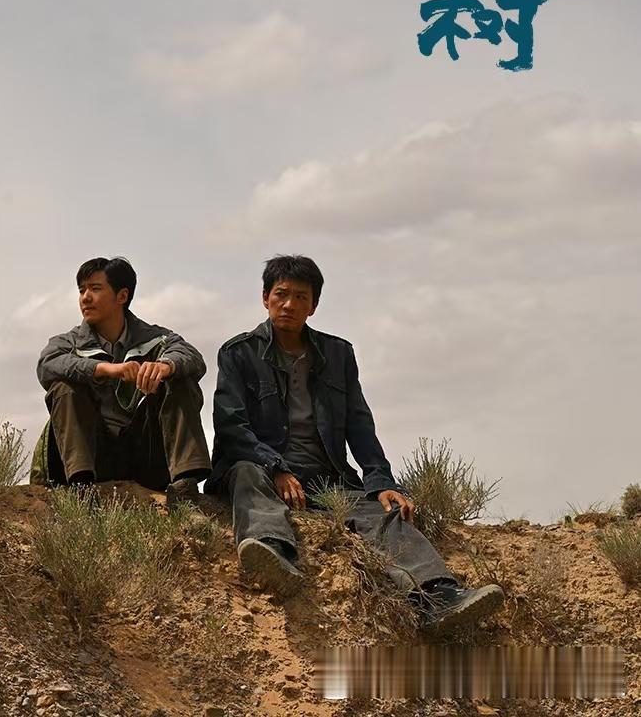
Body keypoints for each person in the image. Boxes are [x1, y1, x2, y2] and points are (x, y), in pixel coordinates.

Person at [208, 255, 503, 634]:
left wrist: (381, 482)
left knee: (384, 514)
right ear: (265, 297)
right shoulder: (238, 353)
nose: (289, 304)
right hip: (264, 472)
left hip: (326, 478)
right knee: (247, 472)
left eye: (301, 297)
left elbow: (359, 424)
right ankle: (272, 553)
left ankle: (438, 596)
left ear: (314, 305)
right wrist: (275, 467)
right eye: (281, 294)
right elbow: (230, 426)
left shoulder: (338, 354)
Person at [31, 257, 211, 497]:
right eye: (82, 290)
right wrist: (104, 369)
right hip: (92, 458)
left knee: (180, 380)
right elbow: (47, 364)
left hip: (143, 455)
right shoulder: (69, 342)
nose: (85, 298)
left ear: (122, 296)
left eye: (95, 289)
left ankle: (185, 485)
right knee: (64, 386)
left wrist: (165, 366)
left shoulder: (154, 338)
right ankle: (81, 490)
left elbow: (191, 355)